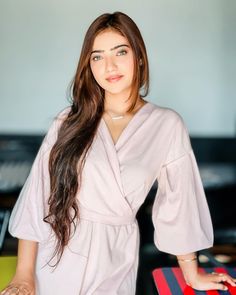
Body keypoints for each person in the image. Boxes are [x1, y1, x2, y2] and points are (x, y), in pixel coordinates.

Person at [1, 11, 236, 295]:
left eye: (120, 52)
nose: (109, 65)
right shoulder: (68, 121)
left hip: (116, 255)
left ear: (139, 56)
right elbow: (37, 200)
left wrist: (192, 273)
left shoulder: (166, 124)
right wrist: (24, 275)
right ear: (89, 65)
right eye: (97, 56)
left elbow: (180, 201)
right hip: (56, 256)